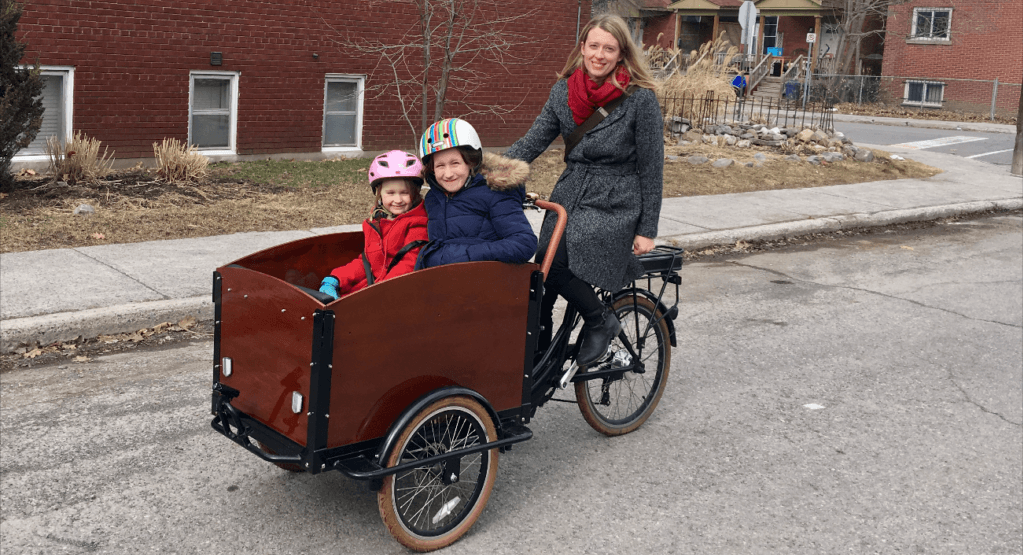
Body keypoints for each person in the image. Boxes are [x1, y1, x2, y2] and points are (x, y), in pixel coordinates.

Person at [505, 14, 663, 367]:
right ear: (582, 48)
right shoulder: (563, 91)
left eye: (609, 49)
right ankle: (536, 358)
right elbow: (532, 142)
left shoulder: (640, 99)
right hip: (571, 192)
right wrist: (487, 173)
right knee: (539, 276)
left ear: (621, 54)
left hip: (615, 201)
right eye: (594, 46)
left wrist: (646, 229)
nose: (599, 55)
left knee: (559, 266)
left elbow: (652, 168)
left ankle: (599, 321)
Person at [414, 117, 537, 269]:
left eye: (455, 163)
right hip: (445, 279)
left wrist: (464, 256)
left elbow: (523, 243)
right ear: (432, 169)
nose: (448, 174)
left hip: (485, 277)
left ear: (471, 161)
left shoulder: (494, 193)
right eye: (440, 165)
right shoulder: (433, 198)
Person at [318, 150, 429, 300]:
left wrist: (375, 295)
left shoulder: (418, 224)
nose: (398, 199)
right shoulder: (376, 222)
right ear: (379, 194)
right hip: (376, 287)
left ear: (415, 193)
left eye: (404, 192)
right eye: (390, 193)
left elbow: (408, 266)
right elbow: (368, 262)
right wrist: (337, 278)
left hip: (398, 294)